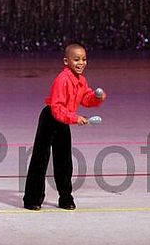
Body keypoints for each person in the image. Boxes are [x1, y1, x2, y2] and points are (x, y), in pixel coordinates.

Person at [23, 43, 106, 211]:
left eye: (84, 59)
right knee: (41, 158)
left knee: (64, 160)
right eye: (76, 59)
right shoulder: (62, 79)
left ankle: (66, 197)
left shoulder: (81, 80)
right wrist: (75, 118)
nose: (81, 63)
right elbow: (57, 107)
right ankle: (32, 198)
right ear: (66, 61)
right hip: (50, 119)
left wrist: (97, 98)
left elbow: (85, 98)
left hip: (64, 120)